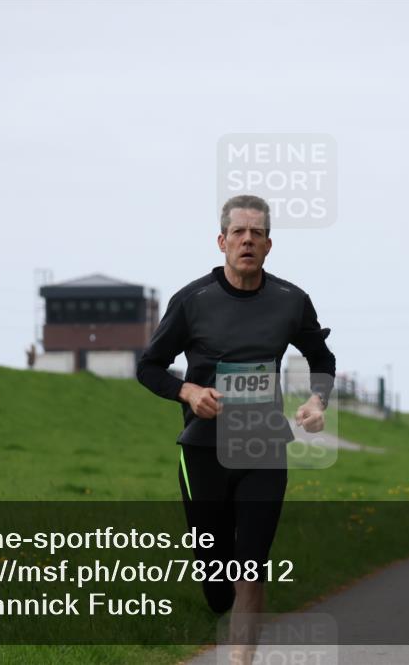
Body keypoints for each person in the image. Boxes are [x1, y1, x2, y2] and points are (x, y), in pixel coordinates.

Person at [136, 195, 335, 662]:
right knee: (215, 577)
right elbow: (149, 367)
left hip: (264, 447)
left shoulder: (291, 301)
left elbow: (321, 359)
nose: (248, 240)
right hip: (203, 450)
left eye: (258, 233)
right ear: (222, 241)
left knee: (252, 564)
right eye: (240, 233)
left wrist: (316, 401)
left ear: (269, 245)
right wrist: (188, 393)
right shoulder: (192, 301)